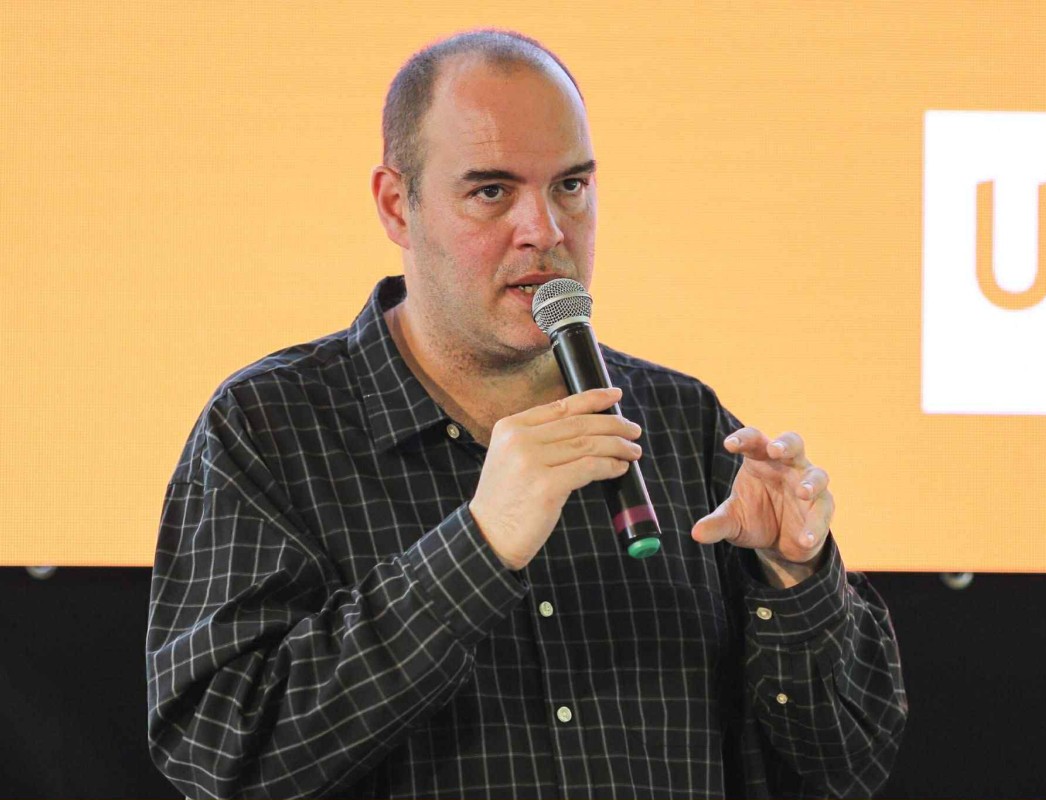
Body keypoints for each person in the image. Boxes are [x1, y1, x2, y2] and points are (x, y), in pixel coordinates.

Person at [146, 29, 907, 799]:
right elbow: (222, 757)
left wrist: (796, 580)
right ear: (396, 206)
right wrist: (475, 551)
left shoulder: (685, 425)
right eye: (492, 192)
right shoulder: (268, 428)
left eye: (570, 186)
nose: (545, 231)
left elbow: (850, 764)